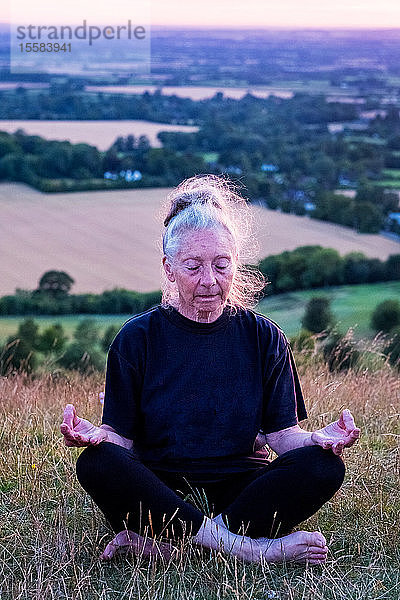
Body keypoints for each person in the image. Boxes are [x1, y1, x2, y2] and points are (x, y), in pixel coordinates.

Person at [61, 174, 360, 565]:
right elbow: (124, 442)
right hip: (161, 488)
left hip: (241, 491)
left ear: (236, 264)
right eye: (192, 266)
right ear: (169, 268)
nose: (209, 280)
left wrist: (318, 440)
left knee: (323, 467)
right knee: (97, 463)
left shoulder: (264, 337)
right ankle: (247, 550)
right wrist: (98, 437)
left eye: (221, 265)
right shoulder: (136, 338)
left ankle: (171, 548)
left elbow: (282, 436)